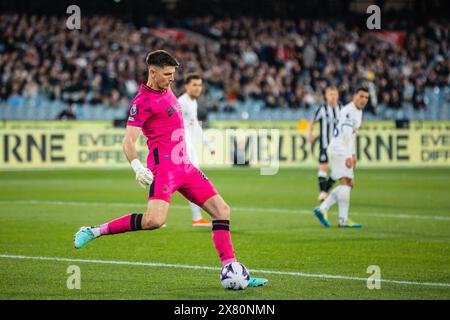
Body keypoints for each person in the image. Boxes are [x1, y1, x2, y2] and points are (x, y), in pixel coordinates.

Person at [73, 50, 267, 287]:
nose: (172, 79)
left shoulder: (167, 88)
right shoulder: (142, 102)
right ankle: (94, 231)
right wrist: (136, 166)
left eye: (173, 74)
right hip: (164, 170)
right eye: (167, 74)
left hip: (185, 166)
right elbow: (128, 141)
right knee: (154, 221)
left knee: (222, 210)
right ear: (152, 73)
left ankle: (234, 270)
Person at [313, 87, 369, 228]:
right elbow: (345, 134)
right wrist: (348, 155)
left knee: (348, 184)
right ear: (354, 96)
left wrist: (353, 154)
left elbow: (352, 135)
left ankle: (326, 210)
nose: (364, 100)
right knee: (347, 184)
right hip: (339, 149)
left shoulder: (358, 112)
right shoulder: (349, 111)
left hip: (341, 149)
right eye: (361, 96)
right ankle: (338, 217)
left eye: (366, 97)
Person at [178, 73, 216, 227]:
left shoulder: (192, 102)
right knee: (192, 177)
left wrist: (208, 144)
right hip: (181, 142)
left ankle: (197, 217)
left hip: (186, 143)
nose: (197, 88)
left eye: (199, 85)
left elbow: (194, 126)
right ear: (186, 86)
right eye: (194, 85)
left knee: (184, 178)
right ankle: (196, 217)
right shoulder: (182, 102)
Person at [307, 87, 341, 202]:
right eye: (331, 94)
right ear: (326, 96)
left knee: (337, 171)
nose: (333, 97)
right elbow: (312, 121)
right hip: (325, 145)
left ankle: (325, 191)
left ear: (338, 96)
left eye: (335, 94)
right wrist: (310, 133)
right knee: (323, 167)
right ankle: (323, 192)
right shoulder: (322, 109)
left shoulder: (342, 109)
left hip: (339, 147)